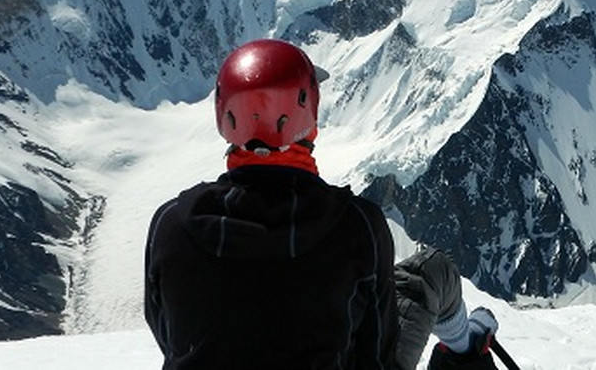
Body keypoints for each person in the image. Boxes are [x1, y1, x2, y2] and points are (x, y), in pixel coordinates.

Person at [145, 38, 500, 369]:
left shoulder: (172, 225)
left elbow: (167, 332)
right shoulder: (355, 226)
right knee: (432, 270)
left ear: (225, 115)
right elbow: (375, 359)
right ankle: (467, 349)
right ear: (306, 114)